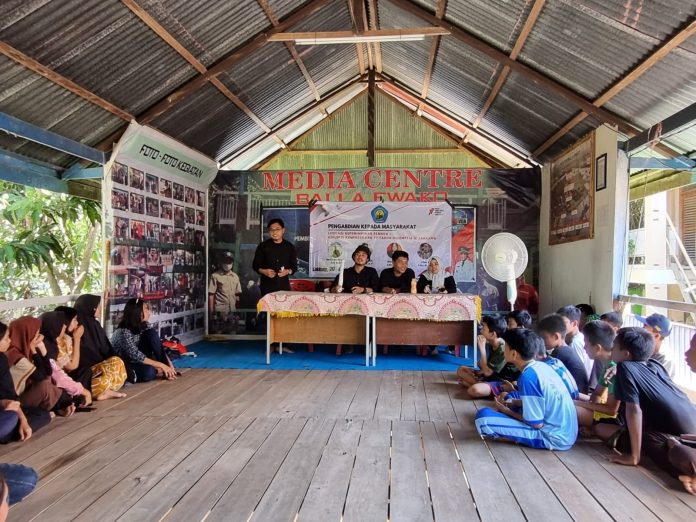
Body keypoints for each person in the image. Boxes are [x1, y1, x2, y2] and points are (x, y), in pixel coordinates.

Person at [606, 328, 696, 486]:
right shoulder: (654, 363)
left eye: (614, 346)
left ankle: (685, 473)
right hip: (690, 427)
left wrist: (634, 457)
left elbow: (634, 410)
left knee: (647, 439)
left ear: (626, 354)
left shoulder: (625, 367)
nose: (611, 349)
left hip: (676, 435)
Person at [474, 329, 578, 451]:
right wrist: (514, 403)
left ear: (514, 354)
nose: (503, 349)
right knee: (511, 397)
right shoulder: (542, 366)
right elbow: (543, 402)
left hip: (553, 437)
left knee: (483, 417)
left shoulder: (528, 377)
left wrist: (507, 412)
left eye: (505, 346)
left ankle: (512, 432)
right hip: (567, 432)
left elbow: (536, 424)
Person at [6, 317, 74, 416]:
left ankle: (61, 405)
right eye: (36, 333)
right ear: (27, 334)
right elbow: (42, 375)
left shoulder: (22, 351)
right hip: (13, 404)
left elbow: (48, 372)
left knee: (46, 381)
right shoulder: (14, 356)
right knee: (44, 386)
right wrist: (34, 351)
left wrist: (42, 349)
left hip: (22, 396)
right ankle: (64, 404)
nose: (38, 337)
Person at [0, 322, 51, 444]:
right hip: (6, 407)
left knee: (42, 414)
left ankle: (10, 430)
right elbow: (43, 375)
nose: (10, 341)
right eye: (6, 338)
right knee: (13, 418)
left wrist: (22, 419)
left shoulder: (1, 359)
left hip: (7, 408)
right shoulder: (14, 355)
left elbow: (10, 396)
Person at [69, 295, 127, 401]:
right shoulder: (77, 327)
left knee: (118, 362)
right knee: (110, 372)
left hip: (99, 368)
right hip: (84, 374)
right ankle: (102, 391)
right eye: (97, 306)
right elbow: (83, 355)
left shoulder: (95, 324)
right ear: (90, 308)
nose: (100, 309)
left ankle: (103, 391)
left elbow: (107, 349)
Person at [112, 299, 177, 383]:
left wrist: (169, 365)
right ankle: (157, 370)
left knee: (152, 334)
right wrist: (162, 366)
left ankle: (165, 371)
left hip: (140, 360)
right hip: (126, 364)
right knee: (148, 372)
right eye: (145, 309)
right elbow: (135, 355)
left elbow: (158, 345)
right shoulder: (123, 332)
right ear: (137, 313)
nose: (148, 311)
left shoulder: (144, 325)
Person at [574, 321, 621, 437]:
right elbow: (597, 394)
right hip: (604, 412)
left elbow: (612, 410)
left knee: (569, 409)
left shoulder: (614, 368)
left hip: (618, 419)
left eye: (586, 343)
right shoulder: (607, 363)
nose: (584, 347)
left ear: (597, 348)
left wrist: (577, 403)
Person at [457, 315, 519, 397]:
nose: (481, 331)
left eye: (483, 328)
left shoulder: (502, 349)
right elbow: (481, 366)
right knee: (461, 369)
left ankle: (477, 386)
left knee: (474, 390)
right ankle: (480, 385)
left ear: (492, 334)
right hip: (492, 375)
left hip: (502, 380)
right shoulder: (492, 343)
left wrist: (482, 350)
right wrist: (478, 372)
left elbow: (487, 373)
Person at [39, 311, 91, 407]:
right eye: (62, 325)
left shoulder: (52, 343)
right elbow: (67, 370)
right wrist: (77, 338)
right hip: (51, 387)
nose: (65, 327)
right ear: (54, 326)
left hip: (58, 382)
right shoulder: (45, 345)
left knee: (85, 370)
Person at [536, 314, 589, 394]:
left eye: (544, 338)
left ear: (556, 336)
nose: (542, 341)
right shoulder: (566, 350)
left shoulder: (560, 353)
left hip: (576, 397)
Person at [252, 218, 297, 296]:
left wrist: (287, 271)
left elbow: (294, 267)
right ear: (269, 232)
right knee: (267, 308)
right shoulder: (263, 246)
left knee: (282, 308)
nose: (274, 232)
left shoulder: (289, 247)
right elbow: (255, 265)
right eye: (271, 230)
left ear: (283, 230)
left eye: (277, 229)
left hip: (283, 286)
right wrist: (264, 271)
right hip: (267, 287)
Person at [208, 252, 242, 332]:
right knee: (219, 336)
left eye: (229, 262)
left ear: (232, 263)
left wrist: (238, 311)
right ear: (221, 262)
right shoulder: (215, 276)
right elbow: (211, 295)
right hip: (220, 311)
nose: (227, 264)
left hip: (232, 311)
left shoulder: (235, 277)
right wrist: (211, 312)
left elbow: (237, 295)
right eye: (225, 261)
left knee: (233, 335)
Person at [635, 313, 675, 378]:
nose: (641, 329)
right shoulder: (644, 347)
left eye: (645, 327)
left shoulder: (666, 359)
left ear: (656, 336)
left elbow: (653, 383)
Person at [557, 305, 592, 378]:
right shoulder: (580, 337)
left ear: (574, 323)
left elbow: (578, 371)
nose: (558, 326)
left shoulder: (575, 343)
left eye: (562, 323)